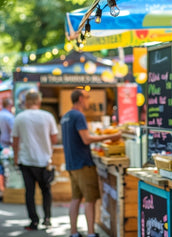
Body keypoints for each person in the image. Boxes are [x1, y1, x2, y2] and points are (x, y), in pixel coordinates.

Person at [60, 89, 121, 237]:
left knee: (75, 199)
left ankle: (74, 233)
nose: (89, 101)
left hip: (72, 163)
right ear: (80, 99)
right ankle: (91, 233)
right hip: (83, 163)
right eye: (87, 97)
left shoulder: (66, 116)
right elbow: (86, 139)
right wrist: (111, 137)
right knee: (90, 199)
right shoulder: (78, 115)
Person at [12, 90, 58, 231]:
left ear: (26, 102)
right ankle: (47, 218)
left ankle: (34, 221)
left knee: (29, 192)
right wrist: (48, 149)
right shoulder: (48, 116)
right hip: (44, 160)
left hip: (26, 160)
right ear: (39, 101)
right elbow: (54, 138)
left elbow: (15, 140)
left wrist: (15, 157)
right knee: (46, 190)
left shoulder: (20, 118)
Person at [0, 98, 15, 201]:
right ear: (10, 105)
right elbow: (13, 132)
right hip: (5, 146)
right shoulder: (9, 117)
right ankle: (4, 191)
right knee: (5, 170)